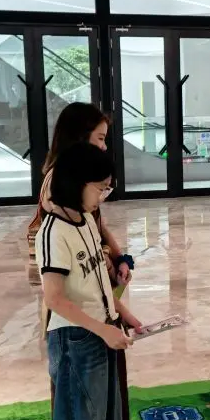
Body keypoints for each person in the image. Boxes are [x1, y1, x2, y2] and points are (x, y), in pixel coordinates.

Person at [36, 143, 137, 420]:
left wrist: (124, 316)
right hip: (75, 339)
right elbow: (55, 298)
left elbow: (97, 283)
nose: (103, 196)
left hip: (101, 331)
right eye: (100, 188)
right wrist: (102, 328)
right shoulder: (53, 232)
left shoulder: (85, 222)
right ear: (76, 183)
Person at [28, 102, 133, 291]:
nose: (104, 147)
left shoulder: (78, 178)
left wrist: (120, 259)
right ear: (79, 137)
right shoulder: (61, 182)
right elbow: (83, 243)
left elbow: (97, 226)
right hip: (78, 288)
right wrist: (109, 267)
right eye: (100, 138)